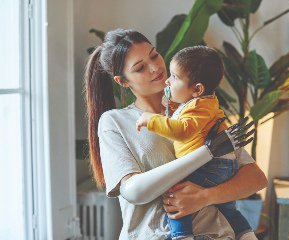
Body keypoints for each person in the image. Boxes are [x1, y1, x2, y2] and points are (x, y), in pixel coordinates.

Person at [84, 28, 267, 240]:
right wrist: (207, 152)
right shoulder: (115, 122)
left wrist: (204, 197)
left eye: (154, 55)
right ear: (123, 81)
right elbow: (133, 191)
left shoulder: (197, 107)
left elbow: (256, 178)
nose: (155, 68)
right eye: (140, 68)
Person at [136, 46, 253, 239]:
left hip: (209, 166)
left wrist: (151, 119)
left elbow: (182, 131)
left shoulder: (199, 107)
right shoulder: (202, 103)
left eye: (174, 77)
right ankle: (246, 234)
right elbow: (187, 116)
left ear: (197, 89)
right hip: (220, 166)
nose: (167, 80)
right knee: (229, 209)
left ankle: (182, 235)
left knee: (175, 197)